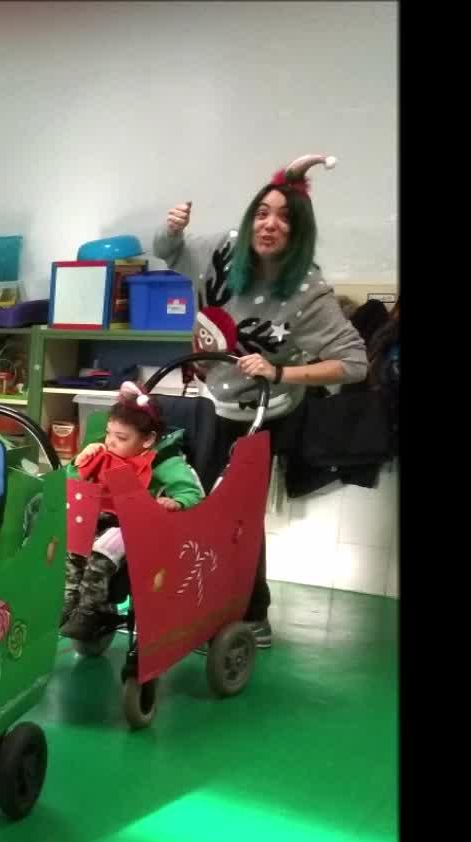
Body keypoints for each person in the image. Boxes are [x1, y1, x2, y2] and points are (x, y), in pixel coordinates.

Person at [152, 152, 369, 647]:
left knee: (237, 513)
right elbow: (170, 252)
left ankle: (253, 614)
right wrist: (171, 229)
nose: (270, 225)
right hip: (213, 398)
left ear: (299, 234)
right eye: (263, 213)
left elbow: (355, 362)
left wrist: (281, 371)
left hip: (264, 413)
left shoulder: (309, 290)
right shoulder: (225, 249)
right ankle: (204, 602)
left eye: (285, 218)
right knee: (200, 503)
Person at [60, 385, 206, 639]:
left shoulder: (164, 461)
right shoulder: (104, 453)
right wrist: (79, 461)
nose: (110, 441)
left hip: (138, 525)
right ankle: (69, 602)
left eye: (121, 437)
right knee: (73, 544)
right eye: (108, 433)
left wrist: (176, 502)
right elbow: (73, 483)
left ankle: (91, 610)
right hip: (102, 518)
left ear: (147, 440)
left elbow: (193, 494)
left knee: (100, 554)